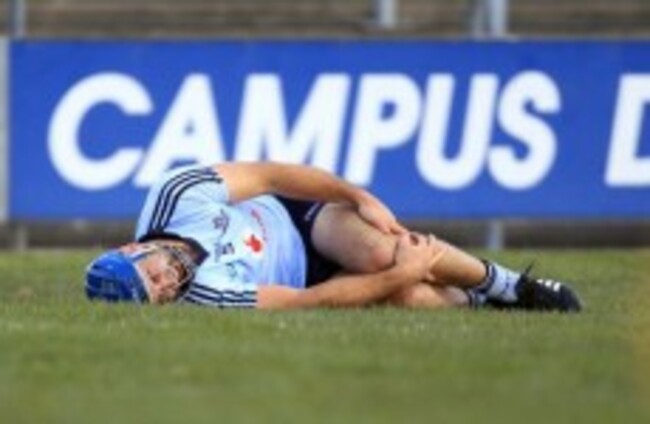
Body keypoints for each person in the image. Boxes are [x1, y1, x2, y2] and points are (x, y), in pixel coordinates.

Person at [84, 161, 582, 312]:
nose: (168, 283)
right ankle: (482, 304)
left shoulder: (175, 194)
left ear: (134, 248)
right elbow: (307, 301)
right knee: (408, 295)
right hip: (305, 279)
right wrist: (400, 279)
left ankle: (512, 286)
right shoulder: (203, 297)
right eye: (159, 294)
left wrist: (356, 196)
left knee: (382, 250)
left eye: (152, 274)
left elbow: (270, 175)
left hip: (297, 222)